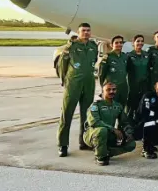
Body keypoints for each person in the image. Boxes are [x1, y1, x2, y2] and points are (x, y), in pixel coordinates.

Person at [56, 22, 99, 157]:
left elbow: (93, 62)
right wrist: (65, 80)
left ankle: (84, 141)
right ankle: (63, 145)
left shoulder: (93, 47)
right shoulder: (71, 46)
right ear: (78, 32)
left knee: (87, 115)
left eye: (88, 30)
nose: (86, 33)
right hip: (73, 83)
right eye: (83, 31)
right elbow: (62, 65)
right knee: (67, 114)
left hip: (89, 84)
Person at [82, 81, 136, 166]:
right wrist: (113, 129)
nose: (111, 91)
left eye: (114, 89)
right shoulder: (95, 106)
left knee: (131, 144)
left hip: (109, 134)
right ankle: (100, 156)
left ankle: (105, 151)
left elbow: (125, 122)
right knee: (102, 130)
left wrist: (128, 133)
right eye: (108, 90)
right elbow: (94, 122)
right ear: (103, 92)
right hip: (92, 134)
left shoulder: (118, 106)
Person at [97, 35, 129, 105]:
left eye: (121, 42)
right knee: (110, 108)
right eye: (116, 43)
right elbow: (101, 75)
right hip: (111, 88)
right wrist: (103, 88)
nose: (119, 44)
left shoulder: (125, 56)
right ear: (112, 45)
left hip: (123, 88)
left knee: (121, 108)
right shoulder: (107, 57)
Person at [126, 34, 151, 120]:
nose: (140, 43)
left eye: (142, 41)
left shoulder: (147, 55)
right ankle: (127, 127)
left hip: (144, 86)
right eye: (138, 41)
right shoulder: (129, 56)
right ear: (133, 43)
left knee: (142, 107)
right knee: (130, 108)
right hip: (133, 86)